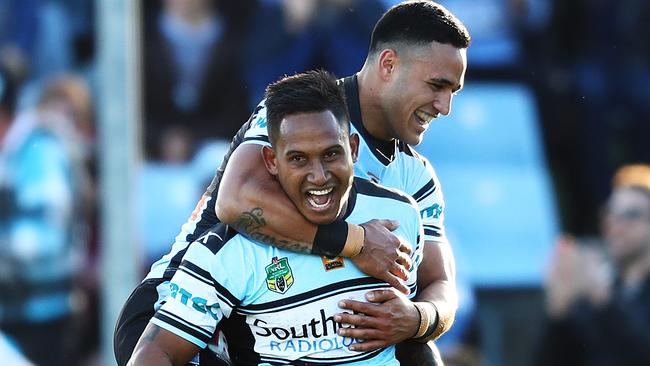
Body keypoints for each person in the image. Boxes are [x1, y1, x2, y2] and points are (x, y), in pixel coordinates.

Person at [115, 1, 470, 364]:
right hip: (186, 314)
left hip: (290, 327)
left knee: (418, 351)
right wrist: (357, 242)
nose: (444, 106)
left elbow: (440, 284)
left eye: (452, 92)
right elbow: (234, 201)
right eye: (436, 86)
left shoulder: (417, 177)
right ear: (389, 65)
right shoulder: (301, 116)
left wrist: (417, 318)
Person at [128, 69, 425, 366]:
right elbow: (154, 353)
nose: (319, 176)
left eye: (331, 154)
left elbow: (427, 315)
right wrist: (355, 242)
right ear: (272, 161)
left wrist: (420, 320)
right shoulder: (231, 249)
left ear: (353, 149)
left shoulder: (401, 215)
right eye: (298, 159)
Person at [535, 164, 650, 366]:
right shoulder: (599, 295)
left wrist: (603, 298)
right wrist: (558, 311)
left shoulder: (603, 296)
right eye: (610, 213)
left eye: (630, 215)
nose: (615, 224)